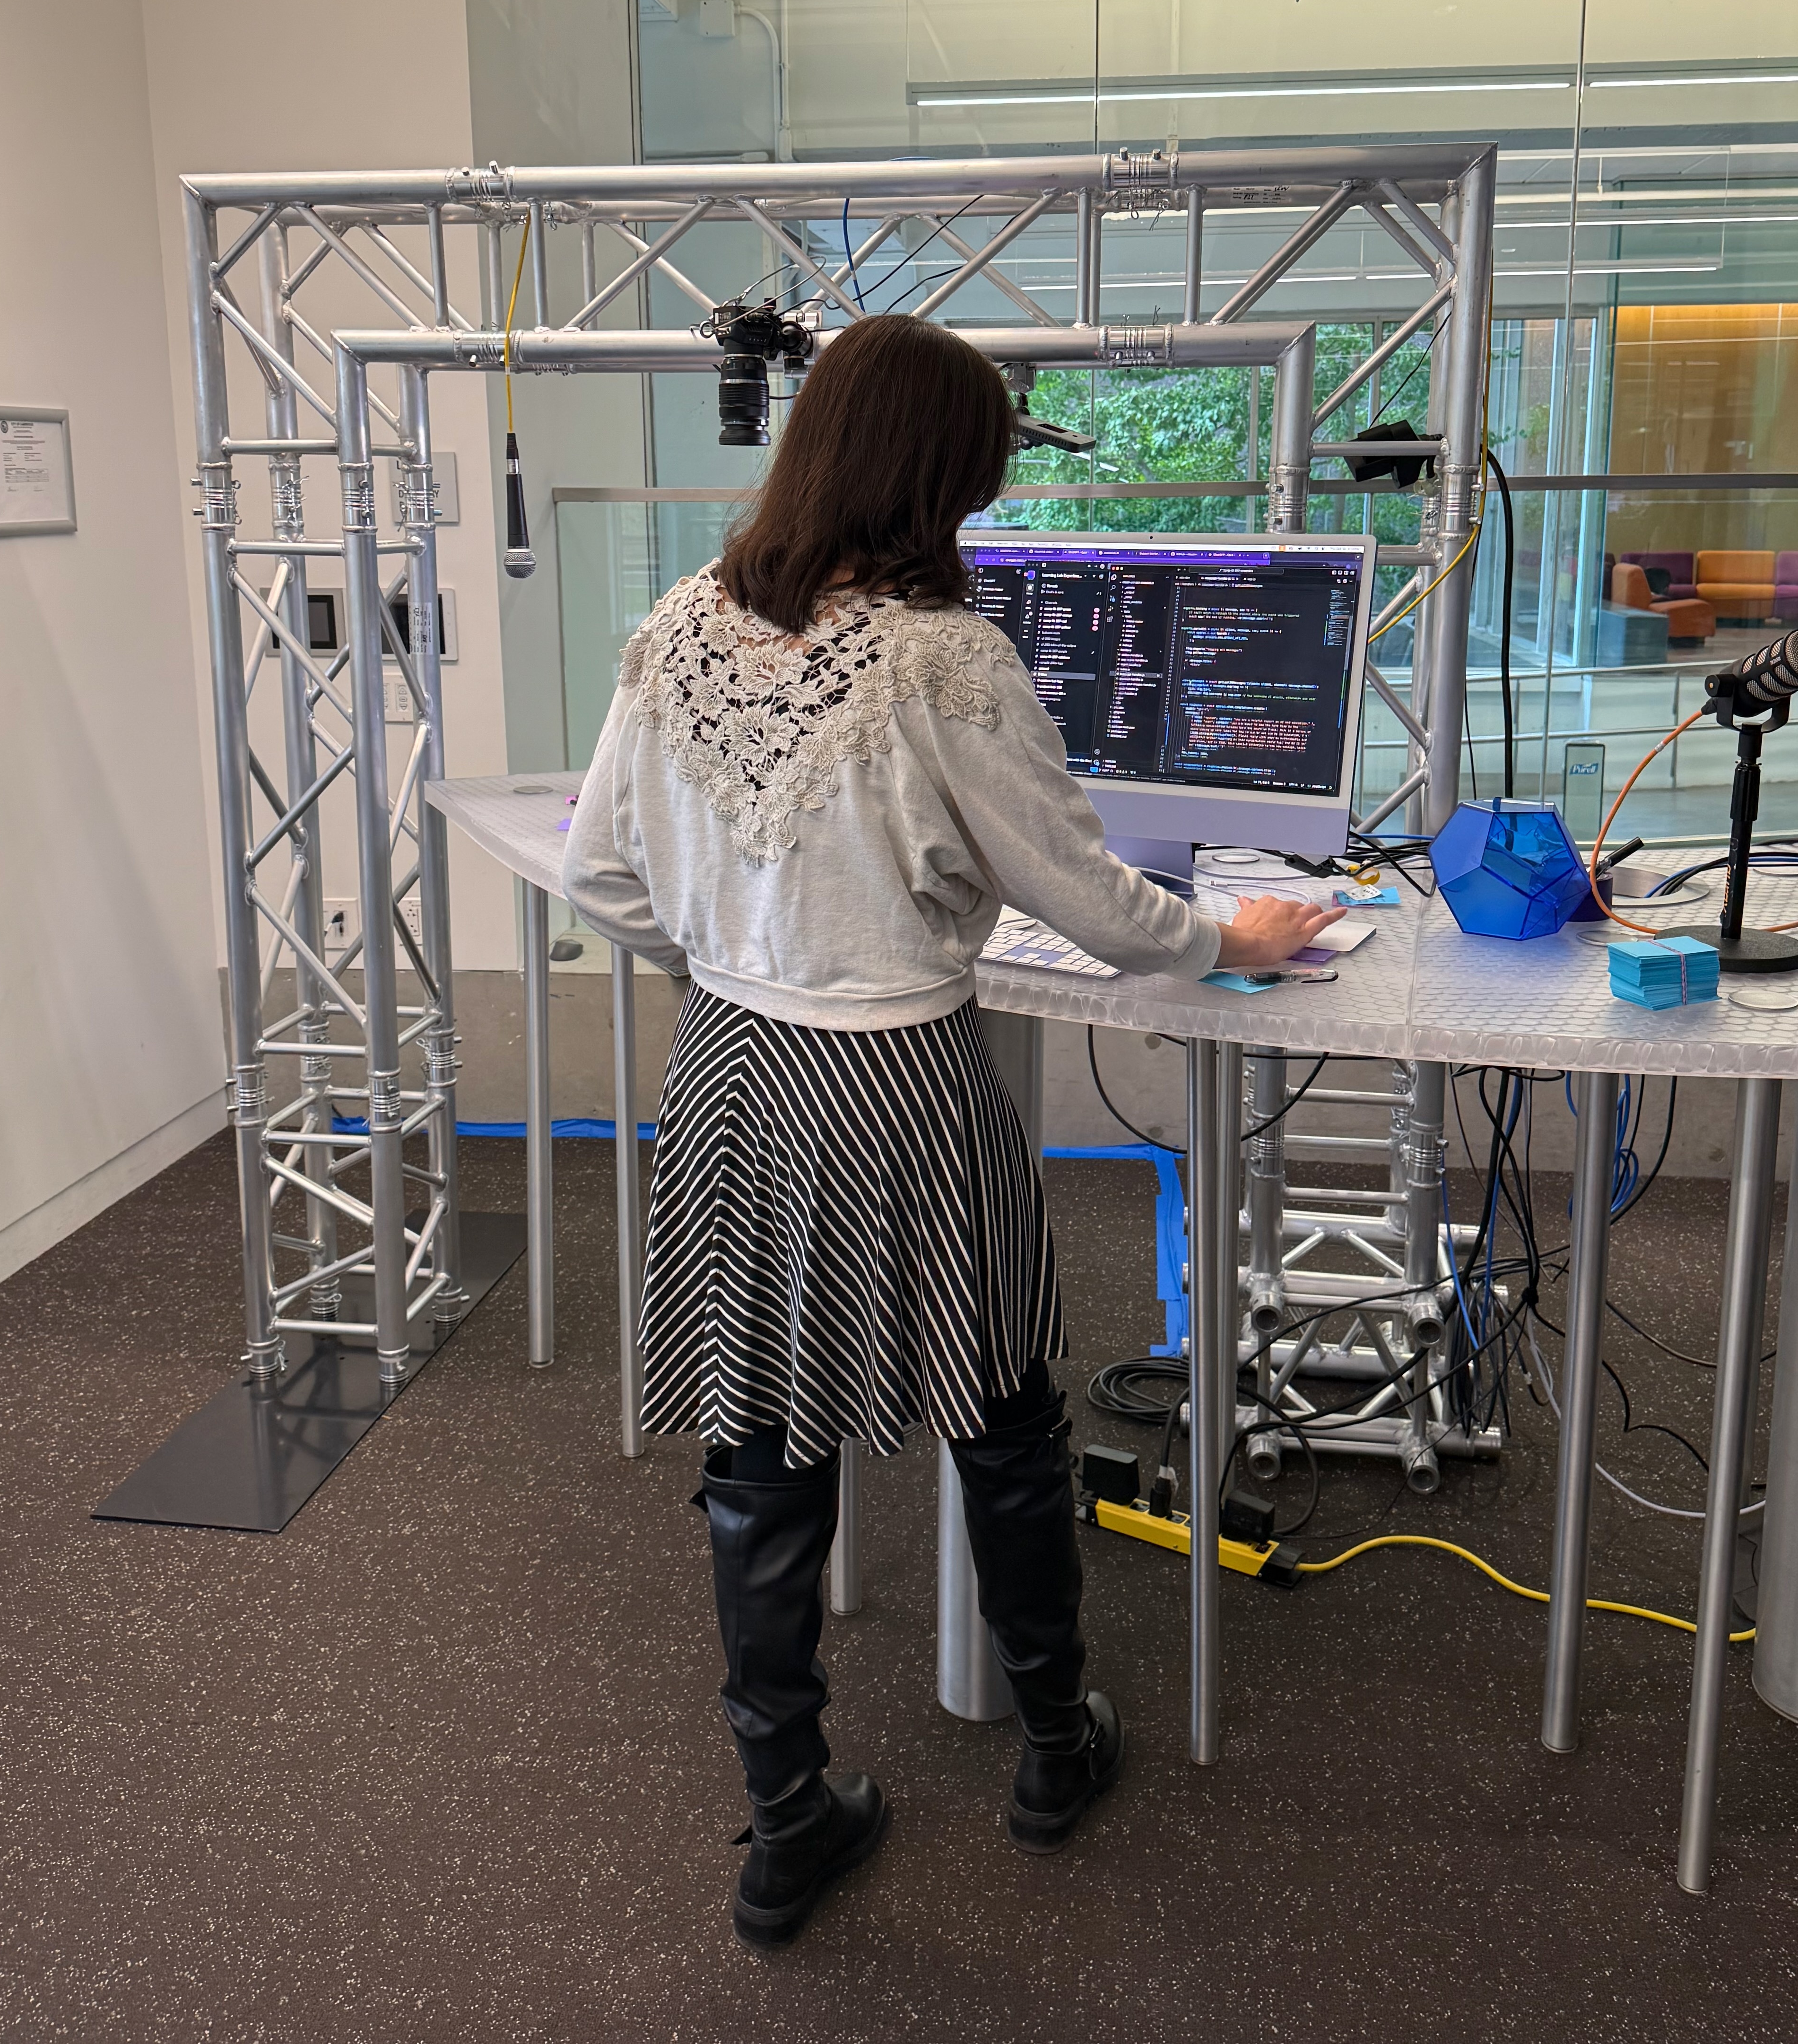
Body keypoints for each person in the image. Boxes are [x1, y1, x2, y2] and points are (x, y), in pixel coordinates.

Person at [563, 311, 1343, 1952]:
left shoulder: (677, 629)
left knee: (759, 1457)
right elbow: (1095, 903)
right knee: (1001, 1415)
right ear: (936, 476)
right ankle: (1054, 1751)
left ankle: (785, 1825)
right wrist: (1232, 943)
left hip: (726, 1074)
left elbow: (600, 879)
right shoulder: (944, 656)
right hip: (904, 1085)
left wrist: (738, 954)